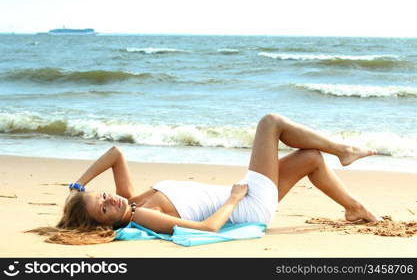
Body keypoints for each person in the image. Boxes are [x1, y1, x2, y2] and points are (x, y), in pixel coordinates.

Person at [28, 114, 379, 245]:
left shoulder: (130, 201)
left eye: (102, 196)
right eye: (104, 209)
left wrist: (78, 186)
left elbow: (116, 153)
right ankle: (344, 150)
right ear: (105, 225)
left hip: (246, 197)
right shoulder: (140, 215)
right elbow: (207, 230)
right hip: (246, 204)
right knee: (270, 123)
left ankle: (355, 208)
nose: (111, 200)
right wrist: (233, 198)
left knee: (309, 158)